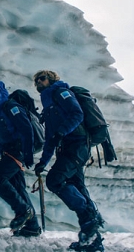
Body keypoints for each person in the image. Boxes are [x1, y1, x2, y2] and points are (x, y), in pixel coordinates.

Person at [32, 70, 104, 250]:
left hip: (78, 146)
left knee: (55, 180)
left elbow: (77, 114)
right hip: (67, 148)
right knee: (78, 188)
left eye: (42, 78)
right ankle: (93, 241)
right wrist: (43, 161)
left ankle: (90, 220)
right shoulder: (48, 103)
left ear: (51, 79)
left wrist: (62, 131)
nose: (38, 82)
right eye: (36, 81)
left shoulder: (61, 92)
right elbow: (50, 138)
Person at [0, 80, 41, 237]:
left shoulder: (11, 107)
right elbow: (1, 139)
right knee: (19, 188)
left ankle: (23, 211)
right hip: (10, 151)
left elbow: (27, 129)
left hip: (17, 151)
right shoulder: (1, 111)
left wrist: (28, 155)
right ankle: (32, 227)